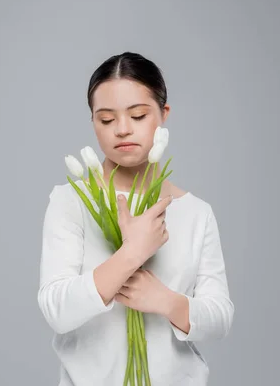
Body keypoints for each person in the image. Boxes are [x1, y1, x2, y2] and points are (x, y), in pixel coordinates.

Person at [37, 52, 235, 385]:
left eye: (138, 115)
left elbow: (220, 318)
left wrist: (166, 301)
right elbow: (57, 310)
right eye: (106, 119)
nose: (123, 129)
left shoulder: (196, 212)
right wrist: (132, 254)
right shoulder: (70, 201)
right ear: (93, 123)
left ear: (163, 114)